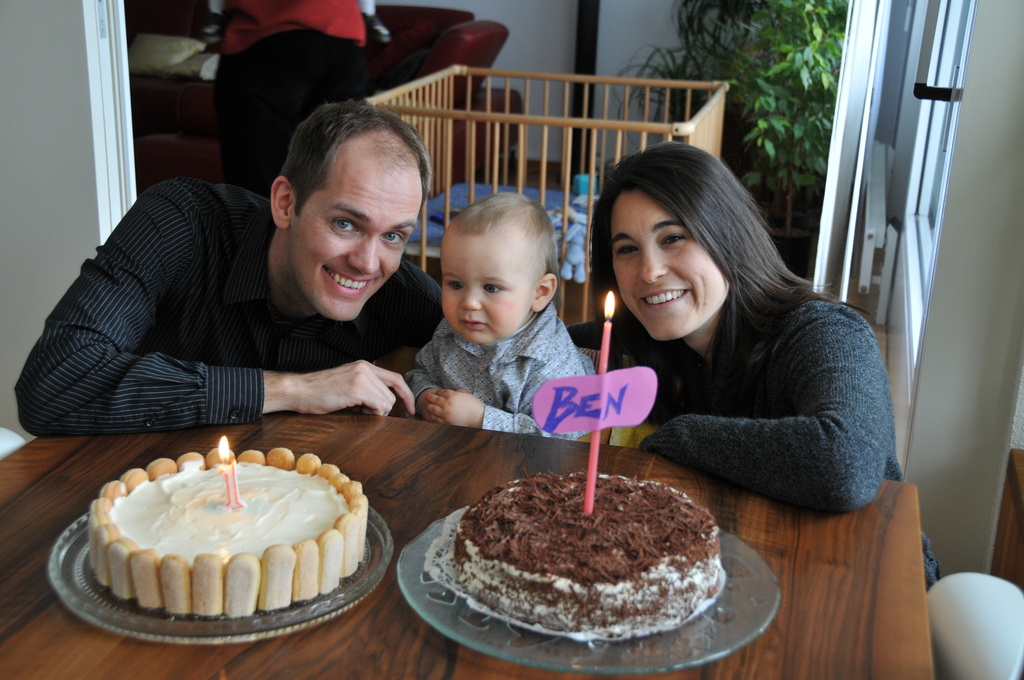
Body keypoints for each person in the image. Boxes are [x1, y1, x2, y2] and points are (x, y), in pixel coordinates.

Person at [571, 141, 940, 586]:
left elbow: (845, 464)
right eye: (627, 249)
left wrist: (679, 436)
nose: (649, 271)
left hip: (871, 588)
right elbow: (539, 343)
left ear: (725, 233)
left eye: (673, 238)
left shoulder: (823, 332)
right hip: (756, 573)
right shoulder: (643, 335)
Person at [16, 100, 442, 435]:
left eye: (393, 236)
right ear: (285, 203)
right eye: (345, 224)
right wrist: (291, 389)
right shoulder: (180, 223)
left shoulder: (406, 298)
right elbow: (51, 384)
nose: (367, 263)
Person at [405, 192, 595, 439]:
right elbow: (421, 372)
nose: (469, 302)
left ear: (540, 293)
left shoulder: (552, 361)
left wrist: (480, 419)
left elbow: (560, 436)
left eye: (491, 288)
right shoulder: (451, 331)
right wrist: (426, 398)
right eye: (456, 284)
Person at [214, 0, 370, 196]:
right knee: (337, 173)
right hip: (344, 41)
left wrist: (216, 13)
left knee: (256, 180)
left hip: (266, 36)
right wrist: (367, 13)